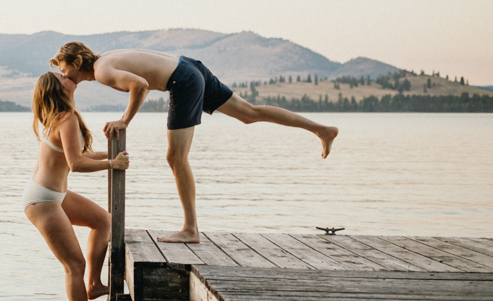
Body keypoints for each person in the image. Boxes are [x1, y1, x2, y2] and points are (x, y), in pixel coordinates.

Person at [51, 42, 338, 244]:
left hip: (182, 80)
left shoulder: (102, 71)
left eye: (66, 71)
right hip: (190, 66)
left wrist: (125, 120)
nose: (65, 77)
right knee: (250, 113)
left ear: (77, 63)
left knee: (175, 158)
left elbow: (140, 85)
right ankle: (322, 129)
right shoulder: (106, 58)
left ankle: (190, 229)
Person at [24, 70, 130, 301]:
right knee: (74, 265)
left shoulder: (62, 116)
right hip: (43, 201)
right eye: (63, 77)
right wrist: (112, 164)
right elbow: (77, 164)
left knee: (104, 221)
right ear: (60, 88)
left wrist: (113, 152)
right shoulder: (66, 119)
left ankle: (94, 285)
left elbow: (79, 155)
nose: (67, 74)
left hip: (52, 194)